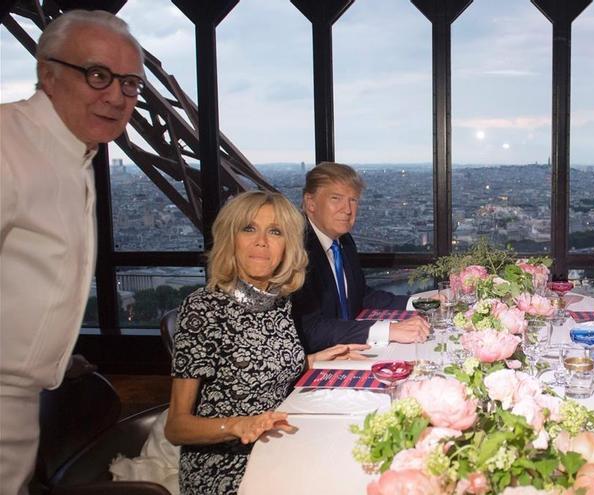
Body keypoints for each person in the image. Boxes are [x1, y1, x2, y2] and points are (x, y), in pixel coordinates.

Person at [0, 10, 145, 493]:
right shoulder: (6, 146)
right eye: (99, 75)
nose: (116, 97)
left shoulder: (70, 151)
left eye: (130, 84)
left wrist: (57, 356)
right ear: (47, 72)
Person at [165, 191, 368, 494]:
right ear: (230, 239)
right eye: (249, 229)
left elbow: (265, 365)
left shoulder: (279, 301)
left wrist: (316, 359)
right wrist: (238, 425)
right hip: (228, 467)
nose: (261, 241)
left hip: (279, 442)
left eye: (274, 232)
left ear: (288, 246)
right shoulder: (202, 309)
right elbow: (176, 427)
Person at [292, 162, 429, 353]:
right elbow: (311, 331)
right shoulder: (296, 251)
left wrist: (419, 303)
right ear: (310, 203)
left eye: (353, 200)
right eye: (336, 198)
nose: (347, 209)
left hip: (348, 346)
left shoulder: (344, 242)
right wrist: (389, 330)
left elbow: (361, 296)